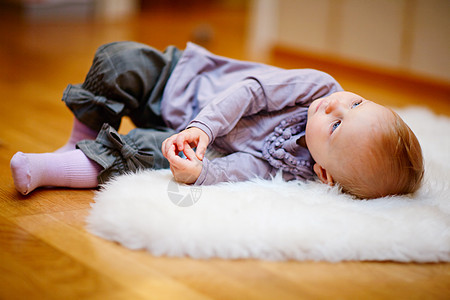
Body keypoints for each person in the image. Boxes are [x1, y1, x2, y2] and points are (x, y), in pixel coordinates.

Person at [10, 41, 424, 199]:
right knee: (119, 61)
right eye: (357, 103)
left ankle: (52, 169)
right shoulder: (318, 88)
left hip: (182, 138)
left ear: (324, 173)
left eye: (337, 127)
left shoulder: (291, 172)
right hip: (181, 81)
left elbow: (233, 171)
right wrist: (203, 128)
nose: (336, 107)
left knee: (141, 155)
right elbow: (250, 90)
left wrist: (196, 174)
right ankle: (74, 139)